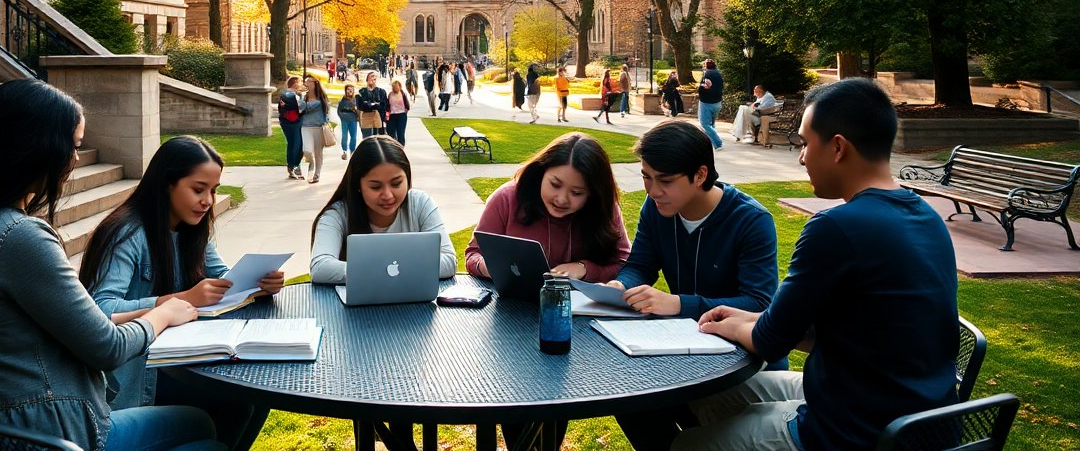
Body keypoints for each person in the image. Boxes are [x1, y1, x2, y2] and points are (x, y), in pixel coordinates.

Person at [0, 79, 226, 451]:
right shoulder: (19, 237)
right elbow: (106, 348)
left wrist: (151, 308)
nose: (75, 159)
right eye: (73, 146)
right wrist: (161, 314)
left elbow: (82, 323)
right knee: (204, 430)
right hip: (50, 434)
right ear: (36, 146)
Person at [681, 79, 959, 451]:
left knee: (686, 446)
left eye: (806, 143)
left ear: (838, 148)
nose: (801, 157)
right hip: (919, 417)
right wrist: (743, 317)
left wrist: (728, 327)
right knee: (710, 395)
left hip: (857, 432)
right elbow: (820, 325)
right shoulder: (926, 217)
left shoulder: (837, 227)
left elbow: (768, 341)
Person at [80, 137, 282, 451]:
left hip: (179, 356)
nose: (208, 201)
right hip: (139, 374)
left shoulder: (192, 230)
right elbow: (99, 310)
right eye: (198, 189)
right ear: (166, 184)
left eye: (213, 191)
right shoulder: (127, 232)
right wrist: (181, 299)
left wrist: (258, 284)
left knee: (255, 395)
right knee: (239, 402)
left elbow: (224, 281)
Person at [604, 122, 781, 451]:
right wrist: (620, 285)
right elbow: (640, 265)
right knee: (626, 398)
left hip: (744, 361)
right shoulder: (657, 208)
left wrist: (678, 304)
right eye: (646, 176)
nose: (652, 190)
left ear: (700, 175)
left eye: (665, 181)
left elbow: (759, 303)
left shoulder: (751, 220)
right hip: (680, 350)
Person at [465, 132, 631, 282]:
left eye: (577, 193)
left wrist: (584, 269)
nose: (562, 199)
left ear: (592, 194)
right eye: (555, 184)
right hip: (512, 308)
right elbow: (473, 254)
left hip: (581, 311)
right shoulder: (505, 199)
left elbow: (626, 263)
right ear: (541, 172)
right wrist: (491, 267)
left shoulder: (603, 207)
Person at [309, 136, 457, 284]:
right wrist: (389, 271)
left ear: (408, 179)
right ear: (358, 186)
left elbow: (448, 261)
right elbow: (320, 267)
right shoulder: (338, 215)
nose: (387, 195)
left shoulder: (420, 203)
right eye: (376, 187)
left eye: (396, 184)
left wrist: (382, 271)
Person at [299, 77, 330, 183]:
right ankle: (311, 164)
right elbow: (302, 108)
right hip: (305, 127)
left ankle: (317, 174)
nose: (306, 83)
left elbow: (326, 111)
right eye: (305, 81)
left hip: (319, 127)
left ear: (315, 83)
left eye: (308, 81)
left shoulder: (321, 97)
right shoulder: (304, 96)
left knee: (318, 153)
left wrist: (326, 122)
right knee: (306, 150)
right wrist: (301, 96)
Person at [277, 76, 304, 179]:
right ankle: (293, 166)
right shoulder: (294, 95)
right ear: (295, 83)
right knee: (297, 144)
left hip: (286, 122)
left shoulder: (284, 95)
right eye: (299, 82)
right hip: (294, 122)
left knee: (293, 144)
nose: (301, 85)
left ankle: (292, 166)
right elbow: (301, 108)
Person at [697, 58, 725, 150]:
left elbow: (707, 85)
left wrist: (701, 86)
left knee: (704, 124)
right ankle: (710, 143)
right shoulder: (719, 74)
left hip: (707, 102)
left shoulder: (707, 74)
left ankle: (718, 143)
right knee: (711, 125)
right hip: (717, 102)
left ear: (705, 66)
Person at [356, 71, 388, 138]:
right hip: (366, 119)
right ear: (367, 79)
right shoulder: (362, 91)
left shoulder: (381, 92)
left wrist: (370, 104)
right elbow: (360, 106)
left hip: (379, 119)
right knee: (367, 139)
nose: (373, 78)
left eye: (375, 77)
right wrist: (375, 105)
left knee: (378, 140)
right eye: (371, 76)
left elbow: (383, 106)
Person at [386, 78, 411, 146]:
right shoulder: (390, 94)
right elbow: (387, 105)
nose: (396, 88)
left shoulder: (403, 94)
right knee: (391, 134)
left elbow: (407, 104)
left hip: (401, 115)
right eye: (394, 87)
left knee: (400, 133)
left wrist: (406, 110)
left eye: (397, 87)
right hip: (392, 116)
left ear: (400, 86)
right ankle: (392, 147)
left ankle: (401, 148)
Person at [336, 85, 359, 160]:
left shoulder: (355, 100)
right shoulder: (343, 100)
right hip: (345, 120)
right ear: (345, 91)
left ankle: (352, 151)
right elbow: (339, 111)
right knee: (344, 136)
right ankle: (344, 151)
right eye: (348, 89)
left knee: (354, 137)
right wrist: (342, 117)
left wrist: (357, 112)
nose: (350, 91)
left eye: (351, 89)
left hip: (353, 120)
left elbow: (358, 111)